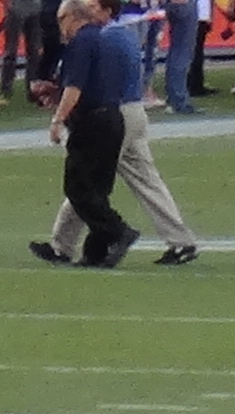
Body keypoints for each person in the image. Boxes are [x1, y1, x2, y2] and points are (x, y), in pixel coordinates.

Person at [34, 0, 192, 268]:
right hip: (130, 111)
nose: (89, 10)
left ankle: (65, 245)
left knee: (86, 183)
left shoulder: (103, 38)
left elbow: (89, 83)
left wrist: (60, 113)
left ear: (108, 11)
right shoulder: (120, 35)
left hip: (117, 113)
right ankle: (181, 241)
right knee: (145, 181)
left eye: (94, 6)